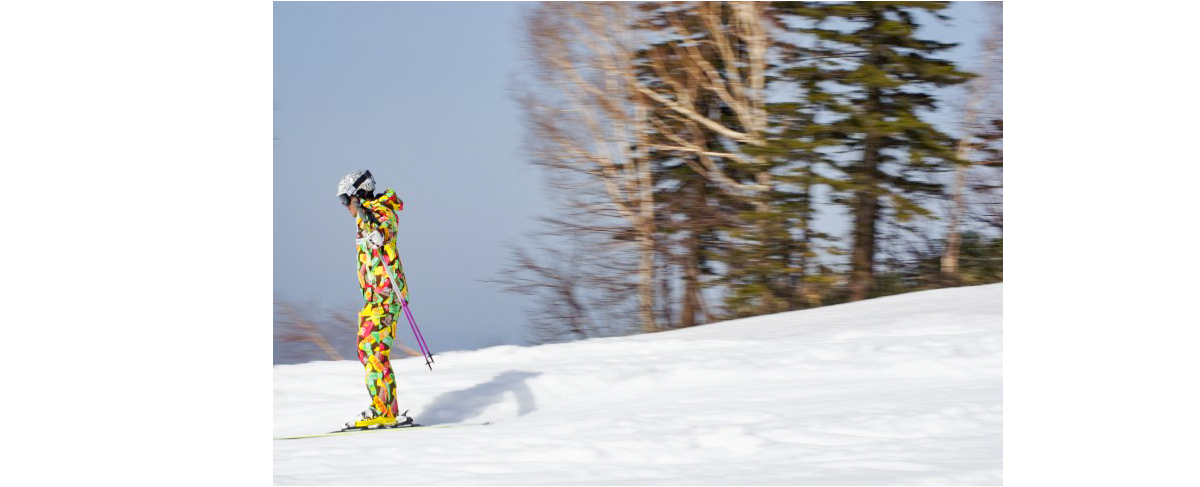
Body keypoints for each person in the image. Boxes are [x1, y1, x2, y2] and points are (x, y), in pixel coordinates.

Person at [336, 169, 410, 429]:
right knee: (367, 349)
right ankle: (386, 408)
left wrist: (380, 234)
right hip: (374, 296)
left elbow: (387, 228)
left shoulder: (381, 211)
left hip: (386, 294)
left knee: (373, 350)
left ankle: (383, 411)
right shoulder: (364, 218)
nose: (345, 208)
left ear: (358, 194)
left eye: (346, 200)